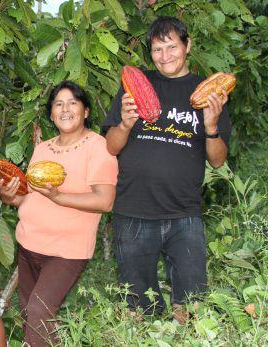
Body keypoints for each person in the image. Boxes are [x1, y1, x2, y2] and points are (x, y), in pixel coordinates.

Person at [102, 16, 231, 323]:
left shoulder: (206, 95)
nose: (165, 55)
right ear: (151, 53)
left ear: (187, 46)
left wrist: (211, 127)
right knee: (138, 307)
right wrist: (124, 123)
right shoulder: (135, 87)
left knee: (192, 304)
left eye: (172, 46)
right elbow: (111, 146)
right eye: (157, 49)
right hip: (133, 209)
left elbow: (218, 160)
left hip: (183, 213)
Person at [0, 80, 118, 346]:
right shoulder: (43, 148)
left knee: (39, 313)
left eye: (73, 102)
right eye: (58, 104)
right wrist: (8, 196)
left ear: (85, 111)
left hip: (66, 252)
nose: (65, 109)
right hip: (28, 244)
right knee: (31, 315)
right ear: (51, 114)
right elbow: (28, 199)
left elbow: (105, 201)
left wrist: (59, 197)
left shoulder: (98, 147)